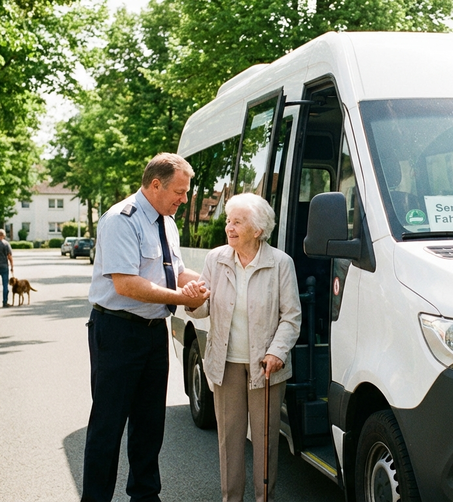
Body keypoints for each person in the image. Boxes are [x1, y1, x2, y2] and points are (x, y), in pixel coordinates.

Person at [83, 152, 210, 502]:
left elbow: (175, 272)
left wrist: (211, 282)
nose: (184, 201)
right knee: (108, 426)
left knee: (150, 424)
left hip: (154, 331)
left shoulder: (167, 221)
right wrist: (184, 298)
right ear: (156, 185)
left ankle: (144, 496)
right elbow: (126, 284)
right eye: (179, 193)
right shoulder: (121, 220)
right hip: (117, 332)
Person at [182, 192, 301, 502]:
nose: (229, 228)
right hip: (226, 364)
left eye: (237, 222)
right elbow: (202, 307)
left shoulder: (280, 264)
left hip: (266, 365)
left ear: (258, 229)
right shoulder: (216, 259)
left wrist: (277, 351)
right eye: (227, 221)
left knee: (265, 442)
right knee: (229, 440)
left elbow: (291, 317)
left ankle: (265, 498)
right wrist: (193, 299)